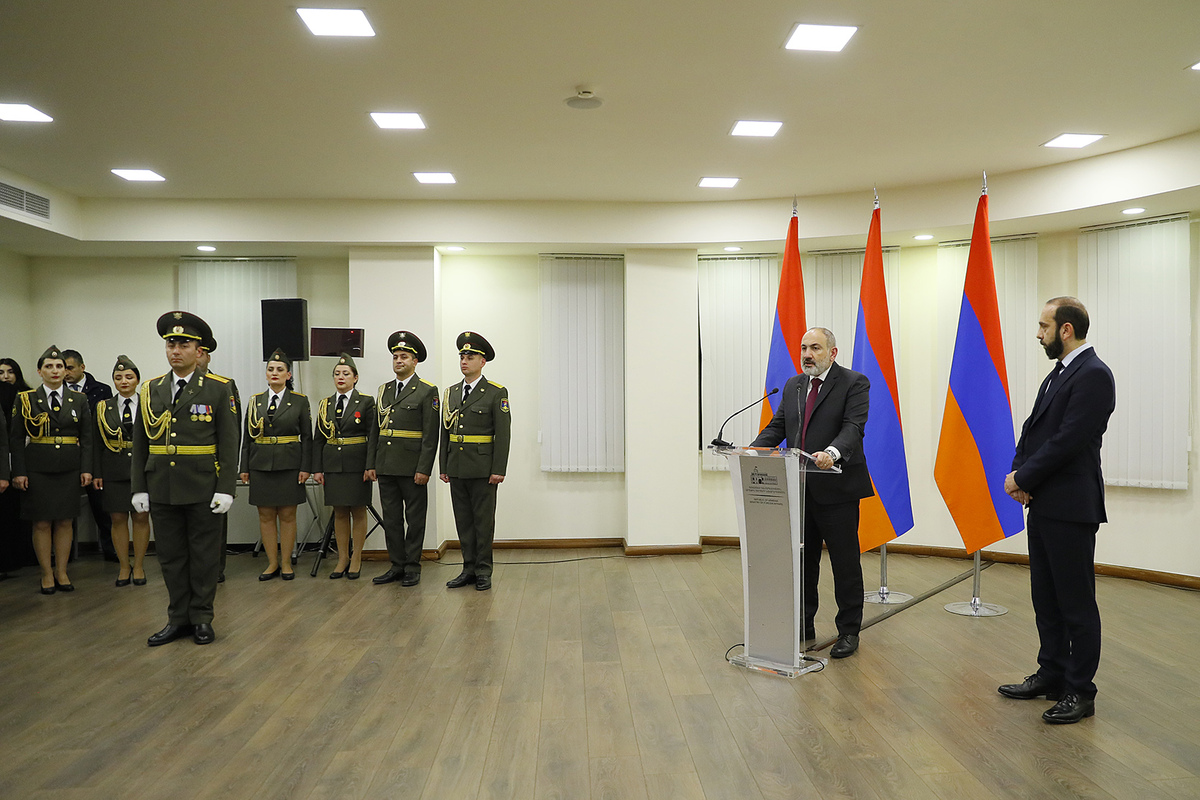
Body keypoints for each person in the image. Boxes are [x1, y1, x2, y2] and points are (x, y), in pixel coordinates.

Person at [1000, 297, 1116, 725]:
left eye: (1043, 326)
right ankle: (1051, 673)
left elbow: (1068, 440)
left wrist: (1023, 477)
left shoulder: (1094, 374)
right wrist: (1019, 472)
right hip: (1045, 502)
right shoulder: (1060, 373)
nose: (1038, 334)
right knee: (1046, 598)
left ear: (1066, 329)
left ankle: (1080, 690)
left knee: (1076, 603)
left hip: (1071, 506)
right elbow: (1033, 430)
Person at [749, 327, 872, 658]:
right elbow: (778, 426)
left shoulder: (854, 382)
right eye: (804, 348)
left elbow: (853, 428)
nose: (807, 354)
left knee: (845, 564)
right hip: (800, 488)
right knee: (803, 562)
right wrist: (752, 451)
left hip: (837, 488)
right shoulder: (794, 385)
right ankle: (804, 625)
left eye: (815, 348)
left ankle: (849, 631)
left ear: (832, 352)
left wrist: (832, 452)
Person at [131, 312, 239, 646]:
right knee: (171, 557)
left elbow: (229, 442)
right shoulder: (150, 389)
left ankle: (202, 617)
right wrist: (139, 487)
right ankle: (177, 618)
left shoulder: (218, 389)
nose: (176, 350)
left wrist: (226, 488)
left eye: (184, 344)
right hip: (162, 485)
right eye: (171, 344)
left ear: (198, 350)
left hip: (203, 485)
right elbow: (140, 442)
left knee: (204, 557)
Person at [9, 345, 95, 594]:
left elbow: (87, 438)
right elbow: (16, 438)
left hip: (69, 468)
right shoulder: (26, 399)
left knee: (65, 521)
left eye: (60, 366)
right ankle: (46, 573)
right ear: (40, 371)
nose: (55, 370)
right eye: (49, 366)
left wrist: (86, 469)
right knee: (42, 523)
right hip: (37, 468)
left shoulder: (79, 399)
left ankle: (62, 571)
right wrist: (19, 471)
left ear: (66, 371)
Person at [439, 332, 510, 592]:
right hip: (457, 467)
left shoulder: (495, 392)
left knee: (483, 522)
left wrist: (498, 469)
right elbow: (445, 432)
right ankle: (468, 568)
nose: (464, 361)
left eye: (470, 357)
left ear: (482, 361)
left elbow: (503, 434)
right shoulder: (451, 393)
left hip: (482, 468)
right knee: (463, 521)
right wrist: (443, 466)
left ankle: (483, 570)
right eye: (462, 357)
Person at [367, 331, 439, 587]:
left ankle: (412, 566)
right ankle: (396, 565)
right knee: (392, 519)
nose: (398, 360)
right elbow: (375, 430)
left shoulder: (427, 391)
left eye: (404, 356)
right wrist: (371, 463)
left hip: (412, 467)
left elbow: (430, 435)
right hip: (386, 465)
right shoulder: (384, 390)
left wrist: (424, 468)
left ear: (415, 361)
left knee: (415, 519)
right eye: (396, 356)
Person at [239, 349, 312, 581]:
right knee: (265, 514)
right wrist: (244, 467)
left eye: (280, 370)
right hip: (260, 464)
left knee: (288, 514)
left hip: (289, 464)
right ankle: (272, 563)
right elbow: (247, 437)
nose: (274, 373)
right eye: (270, 369)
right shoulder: (255, 401)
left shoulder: (299, 401)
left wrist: (306, 467)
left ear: (288, 375)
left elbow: (307, 437)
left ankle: (286, 562)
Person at [312, 354, 375, 579]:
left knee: (358, 510)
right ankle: (342, 558)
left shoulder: (365, 402)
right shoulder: (325, 404)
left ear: (355, 378)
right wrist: (317, 468)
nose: (341, 377)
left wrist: (370, 465)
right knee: (339, 512)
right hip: (332, 464)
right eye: (337, 374)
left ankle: (356, 556)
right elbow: (318, 438)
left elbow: (372, 436)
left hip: (357, 464)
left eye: (346, 374)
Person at [93, 356, 151, 586]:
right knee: (117, 518)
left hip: (142, 469)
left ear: (137, 379)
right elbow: (96, 442)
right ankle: (124, 566)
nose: (124, 381)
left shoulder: (149, 404)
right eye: (118, 378)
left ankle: (139, 566)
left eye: (129, 377)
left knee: (141, 516)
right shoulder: (103, 407)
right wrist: (97, 472)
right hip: (113, 468)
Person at [63, 349, 117, 562]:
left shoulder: (101, 390)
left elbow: (107, 421)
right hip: (68, 453)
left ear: (82, 367)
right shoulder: (58, 390)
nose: (66, 372)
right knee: (66, 507)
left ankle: (111, 549)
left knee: (101, 506)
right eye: (63, 368)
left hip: (94, 454)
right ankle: (65, 552)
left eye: (70, 368)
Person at [198, 340, 241, 583]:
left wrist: (229, 471)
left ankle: (215, 569)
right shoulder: (166, 387)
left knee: (214, 522)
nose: (197, 357)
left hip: (213, 466)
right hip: (181, 469)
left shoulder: (223, 386)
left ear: (207, 357)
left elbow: (232, 432)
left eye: (202, 352)